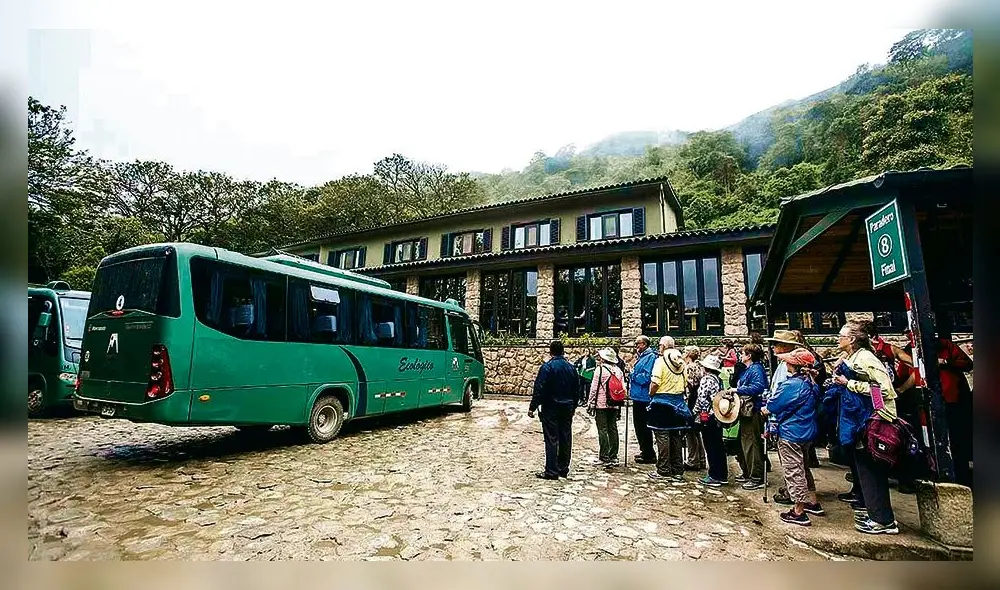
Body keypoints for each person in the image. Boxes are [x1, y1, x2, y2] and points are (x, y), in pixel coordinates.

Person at [833, 321, 900, 535]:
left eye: (841, 335)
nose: (838, 338)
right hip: (859, 422)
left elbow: (885, 390)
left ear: (852, 339)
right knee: (864, 470)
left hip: (873, 422)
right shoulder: (853, 358)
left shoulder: (866, 358)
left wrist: (849, 384)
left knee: (872, 471)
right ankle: (875, 513)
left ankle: (883, 520)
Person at [764, 348, 824, 526]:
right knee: (804, 468)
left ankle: (799, 511)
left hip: (791, 431)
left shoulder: (791, 385)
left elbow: (774, 404)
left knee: (793, 470)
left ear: (793, 364)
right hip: (807, 430)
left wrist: (766, 408)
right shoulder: (811, 382)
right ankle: (813, 502)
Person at [528, 340, 580, 480]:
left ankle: (551, 470)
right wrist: (574, 406)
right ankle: (563, 468)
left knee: (551, 438)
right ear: (563, 351)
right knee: (565, 437)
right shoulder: (571, 368)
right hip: (567, 406)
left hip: (551, 407)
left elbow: (539, 389)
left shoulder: (547, 367)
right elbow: (577, 390)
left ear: (550, 352)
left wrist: (532, 407)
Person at [933, 315, 973, 488]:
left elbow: (967, 364)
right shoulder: (910, 350)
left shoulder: (946, 346)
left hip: (953, 401)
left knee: (958, 438)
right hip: (930, 403)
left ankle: (962, 475)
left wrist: (946, 362)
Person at [647, 336, 690, 481]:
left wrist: (651, 393)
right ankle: (677, 469)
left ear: (663, 346)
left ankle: (663, 469)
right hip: (678, 403)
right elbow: (685, 383)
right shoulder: (681, 361)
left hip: (661, 402)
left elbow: (655, 382)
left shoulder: (660, 361)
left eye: (659, 345)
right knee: (675, 436)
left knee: (662, 436)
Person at [729, 343, 768, 490]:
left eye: (743, 353)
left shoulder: (756, 369)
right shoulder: (750, 369)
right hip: (746, 409)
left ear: (749, 355)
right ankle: (748, 473)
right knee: (745, 442)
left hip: (753, 410)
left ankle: (756, 477)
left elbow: (759, 387)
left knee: (751, 443)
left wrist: (738, 389)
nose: (740, 355)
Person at [693, 354, 728, 486]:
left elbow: (702, 398)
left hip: (708, 416)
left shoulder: (706, 379)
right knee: (718, 445)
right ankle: (722, 474)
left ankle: (714, 475)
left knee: (711, 445)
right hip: (718, 414)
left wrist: (696, 413)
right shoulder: (718, 379)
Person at [588, 348, 625, 468]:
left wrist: (591, 403)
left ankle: (604, 456)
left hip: (601, 403)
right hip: (614, 403)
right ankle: (613, 455)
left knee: (602, 429)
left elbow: (594, 388)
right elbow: (623, 388)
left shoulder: (600, 369)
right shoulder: (618, 370)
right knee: (612, 428)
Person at [628, 335, 658, 464]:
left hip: (643, 396)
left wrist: (632, 374)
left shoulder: (650, 357)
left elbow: (646, 377)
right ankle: (644, 450)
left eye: (638, 344)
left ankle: (648, 453)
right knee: (638, 426)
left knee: (643, 426)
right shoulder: (641, 357)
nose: (636, 347)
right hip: (637, 395)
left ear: (645, 344)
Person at [682, 345, 706, 471]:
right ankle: (701, 458)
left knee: (690, 431)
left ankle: (693, 459)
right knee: (696, 431)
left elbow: (689, 386)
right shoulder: (699, 366)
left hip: (691, 400)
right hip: (697, 398)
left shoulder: (689, 367)